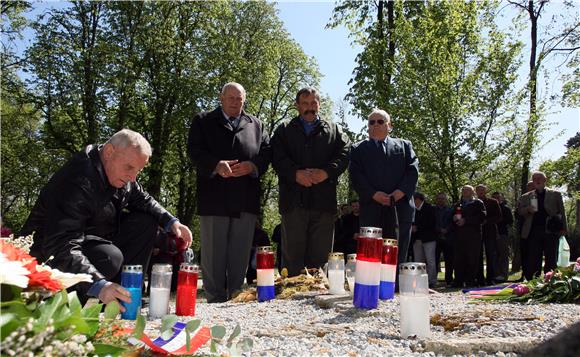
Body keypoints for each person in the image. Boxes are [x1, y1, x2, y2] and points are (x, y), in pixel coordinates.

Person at [20, 129, 193, 307]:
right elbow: (60, 244)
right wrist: (99, 284)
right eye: (130, 168)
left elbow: (143, 199)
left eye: (138, 171)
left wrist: (172, 221)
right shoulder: (77, 181)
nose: (133, 177)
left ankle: (125, 295)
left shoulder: (120, 174)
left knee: (145, 222)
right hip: (46, 257)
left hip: (90, 240)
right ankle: (72, 303)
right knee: (110, 257)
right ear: (109, 152)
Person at [187, 82, 271, 302]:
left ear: (244, 100)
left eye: (239, 99)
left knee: (240, 252)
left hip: (245, 198)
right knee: (214, 253)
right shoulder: (203, 121)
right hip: (214, 197)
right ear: (221, 99)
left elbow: (266, 153)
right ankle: (214, 297)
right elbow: (194, 151)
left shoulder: (256, 124)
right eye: (231, 98)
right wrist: (216, 164)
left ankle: (236, 295)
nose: (235, 102)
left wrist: (252, 166)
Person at [271, 87, 350, 277]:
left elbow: (345, 152)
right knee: (293, 258)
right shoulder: (283, 130)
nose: (310, 107)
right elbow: (276, 156)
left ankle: (316, 298)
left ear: (319, 105)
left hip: (323, 204)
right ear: (296, 105)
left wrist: (326, 172)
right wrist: (295, 173)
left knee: (320, 259)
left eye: (314, 103)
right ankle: (290, 298)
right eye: (305, 103)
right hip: (293, 203)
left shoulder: (335, 130)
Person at [349, 109, 419, 274]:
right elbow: (356, 175)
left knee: (397, 252)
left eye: (380, 121)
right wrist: (374, 195)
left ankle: (395, 288)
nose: (375, 125)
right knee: (372, 254)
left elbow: (413, 171)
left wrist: (400, 193)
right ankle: (373, 288)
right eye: (371, 122)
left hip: (400, 208)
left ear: (390, 126)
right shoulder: (358, 149)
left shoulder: (404, 145)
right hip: (372, 208)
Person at [518, 171, 567, 280]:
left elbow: (562, 212)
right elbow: (520, 211)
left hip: (551, 230)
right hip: (533, 230)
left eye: (540, 178)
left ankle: (551, 280)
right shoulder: (526, 196)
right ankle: (534, 281)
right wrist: (527, 209)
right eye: (535, 179)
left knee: (551, 257)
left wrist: (564, 228)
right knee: (534, 257)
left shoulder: (555, 194)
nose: (537, 180)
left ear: (545, 180)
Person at [451, 185, 486, 288]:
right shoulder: (458, 204)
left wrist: (466, 220)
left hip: (473, 235)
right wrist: (454, 219)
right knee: (459, 258)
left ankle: (471, 281)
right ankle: (458, 281)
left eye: (467, 190)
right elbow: (452, 219)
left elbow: (482, 217)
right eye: (463, 190)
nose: (465, 192)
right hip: (459, 236)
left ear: (472, 192)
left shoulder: (478, 203)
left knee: (472, 259)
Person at [475, 184, 502, 286]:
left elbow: (499, 217)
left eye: (482, 190)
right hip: (477, 233)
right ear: (476, 192)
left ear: (486, 191)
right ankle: (479, 279)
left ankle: (490, 278)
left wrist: (486, 221)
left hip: (490, 232)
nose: (481, 192)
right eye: (479, 191)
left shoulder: (493, 202)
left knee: (491, 256)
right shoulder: (474, 203)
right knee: (478, 256)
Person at [411, 193, 438, 288]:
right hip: (417, 239)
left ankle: (432, 281)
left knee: (430, 261)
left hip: (429, 239)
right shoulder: (412, 209)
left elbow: (431, 223)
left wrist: (417, 227)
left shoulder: (430, 208)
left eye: (414, 199)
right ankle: (419, 281)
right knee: (418, 261)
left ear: (418, 199)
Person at [514, 181, 536, 281]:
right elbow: (517, 214)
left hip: (538, 229)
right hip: (525, 230)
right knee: (525, 253)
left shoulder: (541, 196)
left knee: (534, 254)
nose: (529, 188)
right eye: (528, 187)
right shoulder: (523, 198)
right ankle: (525, 275)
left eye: (531, 186)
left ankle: (534, 276)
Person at [491, 191, 514, 282]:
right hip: (491, 235)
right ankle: (495, 274)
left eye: (498, 197)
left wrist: (499, 221)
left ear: (501, 198)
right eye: (494, 197)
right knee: (494, 255)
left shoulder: (505, 208)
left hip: (502, 234)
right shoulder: (490, 208)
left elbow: (510, 221)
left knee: (503, 255)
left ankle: (503, 275)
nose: (496, 199)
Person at [434, 192, 454, 286]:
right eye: (439, 198)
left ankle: (449, 280)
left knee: (449, 260)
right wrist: (439, 230)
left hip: (448, 237)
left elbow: (453, 222)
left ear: (446, 200)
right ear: (436, 200)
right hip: (436, 237)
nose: (440, 200)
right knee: (434, 260)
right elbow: (431, 222)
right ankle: (434, 280)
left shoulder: (451, 210)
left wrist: (447, 230)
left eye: (442, 198)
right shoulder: (432, 210)